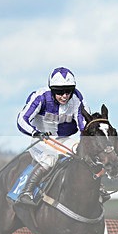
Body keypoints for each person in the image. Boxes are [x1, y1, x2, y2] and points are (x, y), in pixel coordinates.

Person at [16, 67, 89, 205]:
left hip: (63, 140)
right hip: (41, 140)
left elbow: (83, 124)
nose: (65, 96)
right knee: (50, 159)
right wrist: (35, 132)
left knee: (83, 153)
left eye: (68, 91)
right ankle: (27, 192)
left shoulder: (77, 98)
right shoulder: (40, 97)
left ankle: (96, 188)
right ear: (52, 90)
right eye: (60, 92)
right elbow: (21, 120)